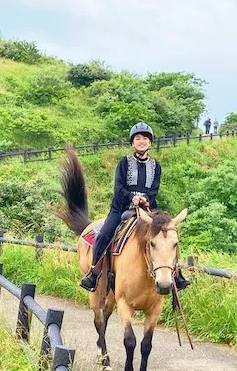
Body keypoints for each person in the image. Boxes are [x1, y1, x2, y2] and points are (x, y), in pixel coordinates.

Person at [80, 122, 191, 292]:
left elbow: (154, 190)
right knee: (104, 234)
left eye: (145, 138)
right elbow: (119, 188)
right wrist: (133, 197)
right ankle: (94, 273)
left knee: (168, 235)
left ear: (150, 142)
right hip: (122, 208)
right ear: (132, 142)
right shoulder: (124, 162)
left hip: (147, 209)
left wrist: (145, 199)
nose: (141, 141)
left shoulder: (156, 166)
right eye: (137, 138)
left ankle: (176, 275)